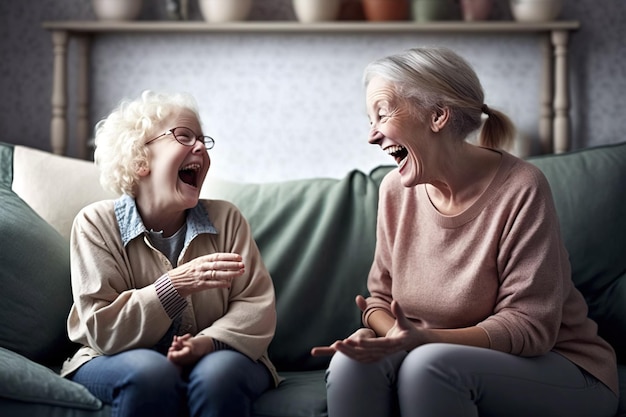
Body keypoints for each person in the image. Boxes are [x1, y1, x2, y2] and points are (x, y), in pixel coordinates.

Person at [311, 47, 619, 417]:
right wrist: (395, 338)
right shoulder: (394, 190)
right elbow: (379, 299)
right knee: (352, 364)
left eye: (382, 114)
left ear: (438, 116)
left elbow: (531, 327)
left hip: (561, 366)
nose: (372, 135)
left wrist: (423, 341)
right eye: (369, 120)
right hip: (429, 355)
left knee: (430, 367)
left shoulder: (522, 188)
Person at [60, 90, 279, 417]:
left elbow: (256, 306)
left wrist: (205, 343)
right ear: (139, 159)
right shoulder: (95, 223)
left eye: (203, 140)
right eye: (184, 136)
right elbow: (101, 327)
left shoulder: (227, 219)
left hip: (218, 353)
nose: (201, 147)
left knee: (217, 375)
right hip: (113, 358)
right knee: (151, 373)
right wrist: (173, 287)